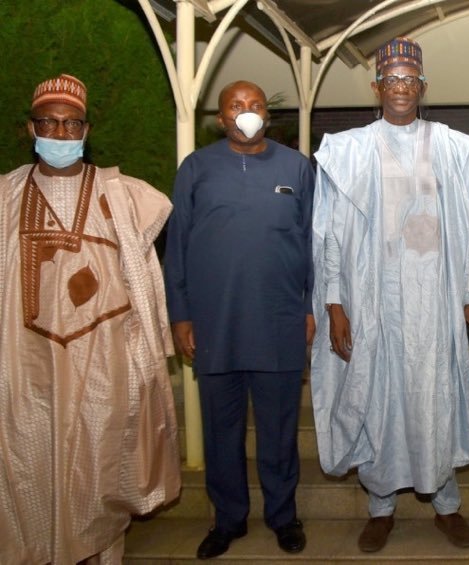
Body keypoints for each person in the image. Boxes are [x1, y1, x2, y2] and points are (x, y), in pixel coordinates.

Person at [311, 37, 469, 553]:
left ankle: (446, 504)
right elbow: (331, 234)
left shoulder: (455, 148)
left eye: (410, 80)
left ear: (423, 87)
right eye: (392, 80)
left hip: (436, 303)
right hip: (375, 302)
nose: (401, 89)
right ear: (377, 87)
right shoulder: (350, 150)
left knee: (438, 398)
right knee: (379, 399)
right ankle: (381, 506)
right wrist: (335, 303)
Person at [0, 74, 180, 564]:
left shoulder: (126, 197)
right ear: (29, 128)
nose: (60, 134)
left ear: (87, 130)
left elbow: (148, 283)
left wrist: (148, 356)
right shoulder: (4, 199)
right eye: (49, 123)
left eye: (71, 124)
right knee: (30, 471)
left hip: (105, 366)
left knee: (100, 474)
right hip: (25, 369)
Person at [164, 80, 313, 559]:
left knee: (279, 431)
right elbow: (178, 247)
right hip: (215, 325)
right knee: (221, 431)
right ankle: (228, 519)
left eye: (255, 105)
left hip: (280, 321)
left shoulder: (297, 167)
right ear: (221, 117)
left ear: (267, 115)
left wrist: (311, 306)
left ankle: (283, 516)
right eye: (237, 106)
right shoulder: (197, 168)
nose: (246, 113)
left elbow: (316, 243)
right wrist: (180, 314)